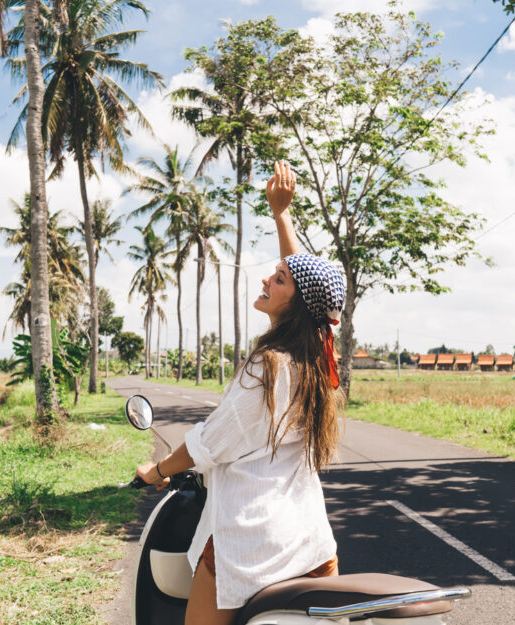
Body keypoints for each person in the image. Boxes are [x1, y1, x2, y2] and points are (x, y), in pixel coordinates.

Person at [135, 160, 346, 625]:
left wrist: (156, 469)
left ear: (296, 304)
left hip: (253, 543)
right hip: (311, 544)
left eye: (279, 279)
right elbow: (312, 291)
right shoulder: (318, 370)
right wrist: (281, 215)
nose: (267, 280)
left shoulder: (268, 366)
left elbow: (210, 442)